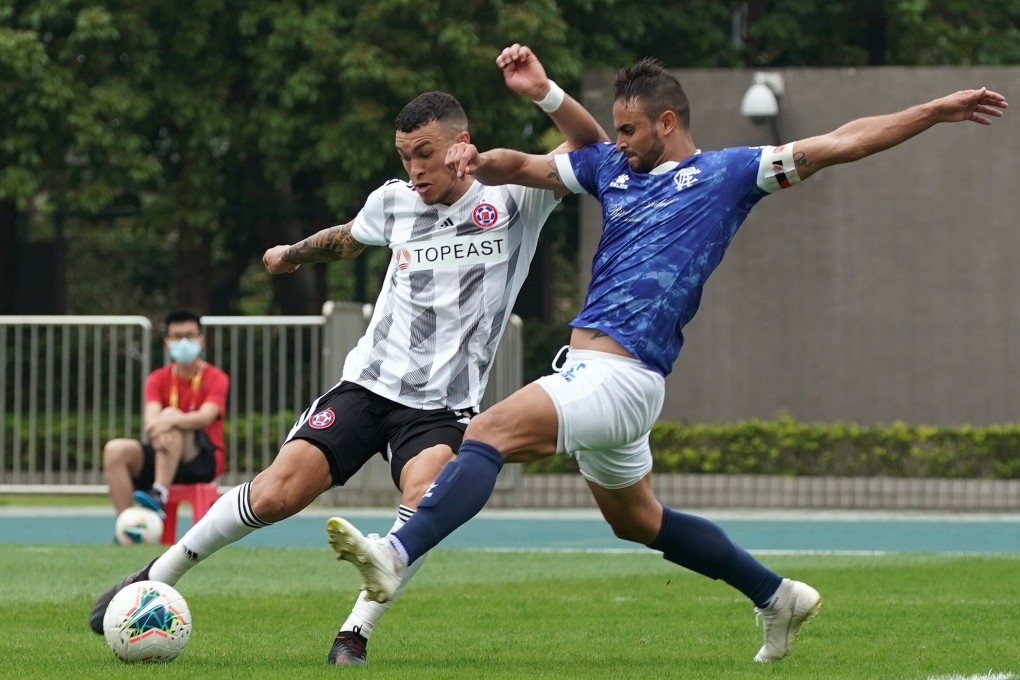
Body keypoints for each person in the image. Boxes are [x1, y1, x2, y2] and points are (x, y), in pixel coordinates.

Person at [326, 60, 1010, 663]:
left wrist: (935, 111)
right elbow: (529, 166)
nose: (613, 142)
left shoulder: (728, 174)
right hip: (594, 378)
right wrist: (478, 161)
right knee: (637, 521)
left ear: (667, 121)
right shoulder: (612, 169)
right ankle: (778, 596)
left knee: (486, 433)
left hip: (622, 378)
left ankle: (396, 553)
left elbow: (842, 142)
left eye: (627, 130)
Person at [87, 43, 609, 666]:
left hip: (442, 407)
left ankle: (353, 633)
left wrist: (542, 91)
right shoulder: (395, 201)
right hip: (366, 385)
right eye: (404, 157)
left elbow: (591, 146)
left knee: (425, 499)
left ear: (460, 144)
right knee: (278, 494)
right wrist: (292, 253)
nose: (415, 170)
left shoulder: (516, 197)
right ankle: (154, 577)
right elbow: (347, 240)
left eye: (425, 155)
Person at [102, 310, 228, 521]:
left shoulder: (216, 377)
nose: (184, 342)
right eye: (177, 337)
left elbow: (206, 417)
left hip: (201, 459)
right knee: (115, 450)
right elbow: (150, 421)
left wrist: (169, 419)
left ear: (201, 340)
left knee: (171, 414)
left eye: (190, 335)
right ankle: (129, 524)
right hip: (164, 450)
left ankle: (159, 492)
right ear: (167, 342)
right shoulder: (157, 378)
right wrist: (161, 426)